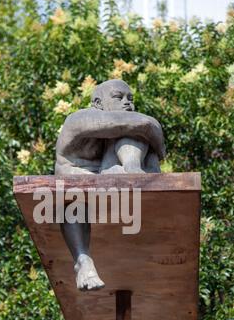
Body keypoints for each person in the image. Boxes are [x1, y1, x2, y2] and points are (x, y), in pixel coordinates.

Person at [55, 79, 165, 291]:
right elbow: (146, 124)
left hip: (109, 173)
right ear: (97, 103)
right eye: (119, 97)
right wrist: (157, 142)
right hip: (76, 175)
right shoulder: (79, 118)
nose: (127, 103)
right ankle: (83, 261)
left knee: (132, 133)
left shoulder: (118, 133)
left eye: (130, 99)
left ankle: (132, 169)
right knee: (70, 202)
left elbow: (144, 127)